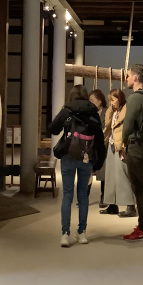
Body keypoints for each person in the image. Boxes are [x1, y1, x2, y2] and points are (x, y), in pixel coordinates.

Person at [48, 85, 106, 248]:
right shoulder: (92, 111)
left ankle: (65, 234)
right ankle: (82, 233)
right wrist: (98, 163)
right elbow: (99, 141)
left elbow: (53, 129)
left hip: (68, 156)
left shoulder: (67, 110)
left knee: (67, 194)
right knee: (83, 196)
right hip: (86, 158)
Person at [121, 64, 143, 241]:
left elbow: (128, 125)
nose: (126, 78)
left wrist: (123, 143)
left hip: (136, 147)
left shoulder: (135, 98)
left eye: (128, 75)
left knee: (138, 187)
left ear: (135, 78)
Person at [100, 88, 137, 217]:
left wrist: (124, 147)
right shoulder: (113, 112)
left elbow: (128, 130)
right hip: (111, 144)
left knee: (123, 175)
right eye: (110, 100)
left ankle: (130, 206)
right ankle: (112, 205)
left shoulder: (126, 111)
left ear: (119, 99)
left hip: (121, 146)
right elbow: (108, 126)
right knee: (110, 176)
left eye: (113, 100)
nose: (111, 102)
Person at [88, 89, 108, 208]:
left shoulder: (107, 112)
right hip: (90, 145)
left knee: (103, 173)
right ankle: (84, 197)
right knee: (88, 172)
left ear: (100, 101)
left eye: (92, 100)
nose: (90, 102)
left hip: (103, 145)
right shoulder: (89, 113)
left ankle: (104, 197)